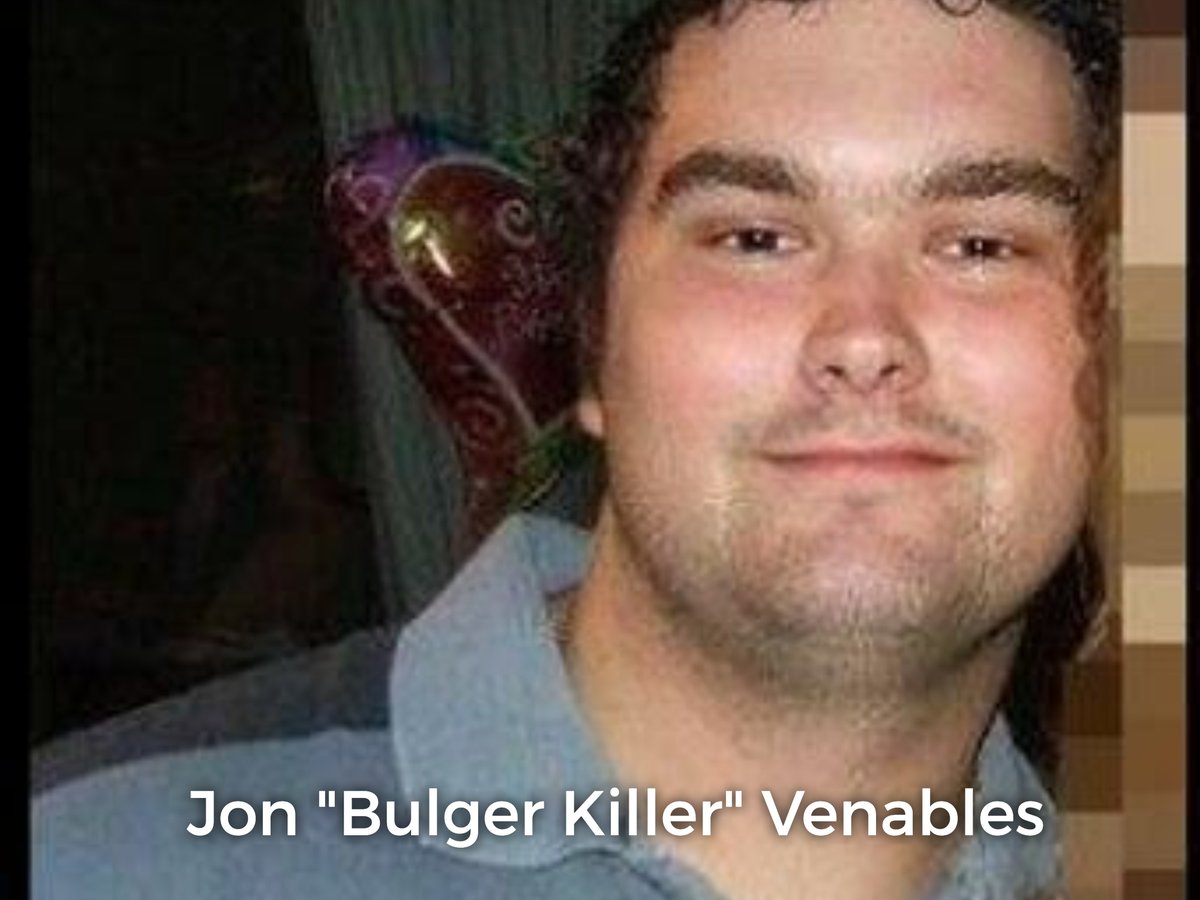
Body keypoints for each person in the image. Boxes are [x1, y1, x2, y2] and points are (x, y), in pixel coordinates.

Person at [32, 1, 1118, 898]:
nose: (865, 337)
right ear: (593, 348)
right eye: (754, 238)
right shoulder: (97, 859)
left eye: (985, 246)